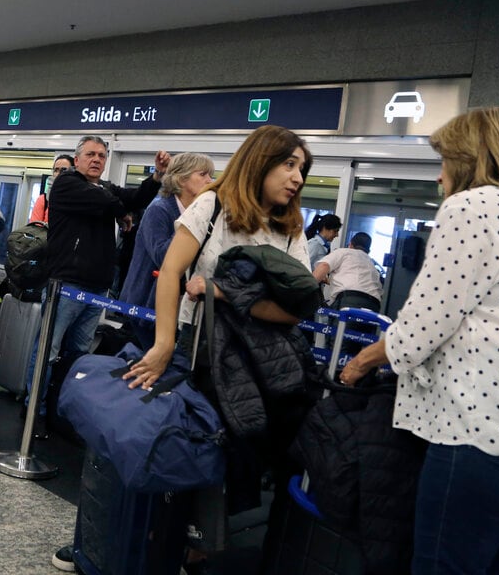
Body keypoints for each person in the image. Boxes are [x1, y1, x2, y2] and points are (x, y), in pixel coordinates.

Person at [106, 125, 312, 574]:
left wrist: (225, 293)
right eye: (288, 164)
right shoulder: (213, 205)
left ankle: (193, 551)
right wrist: (162, 345)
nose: (297, 178)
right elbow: (172, 270)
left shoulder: (290, 229)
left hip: (251, 365)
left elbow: (296, 311)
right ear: (260, 162)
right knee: (179, 453)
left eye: (302, 169)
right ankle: (145, 546)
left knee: (223, 465)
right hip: (195, 350)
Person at [339, 108, 499, 575]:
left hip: (471, 431)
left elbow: (421, 329)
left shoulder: (472, 208)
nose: (439, 176)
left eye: (444, 162)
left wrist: (362, 362)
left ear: (469, 159)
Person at [29, 135, 170, 442]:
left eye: (102, 156)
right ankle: (33, 413)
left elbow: (133, 198)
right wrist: (121, 210)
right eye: (91, 154)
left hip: (96, 288)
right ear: (77, 159)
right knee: (46, 353)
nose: (97, 159)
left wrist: (156, 177)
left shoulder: (104, 188)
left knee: (78, 356)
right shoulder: (66, 184)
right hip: (66, 285)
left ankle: (62, 409)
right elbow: (117, 203)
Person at [119, 152, 214, 350]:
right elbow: (163, 257)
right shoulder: (159, 210)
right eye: (203, 174)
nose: (209, 180)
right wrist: (189, 222)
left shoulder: (201, 214)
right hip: (145, 304)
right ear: (181, 178)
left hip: (175, 305)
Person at [312, 231, 382, 311]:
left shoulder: (344, 252)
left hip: (350, 301)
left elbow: (324, 266)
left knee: (339, 322)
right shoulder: (372, 264)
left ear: (350, 244)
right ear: (368, 251)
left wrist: (304, 288)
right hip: (373, 304)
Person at [29, 154, 74, 223]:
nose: (58, 174)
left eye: (64, 170)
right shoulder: (43, 200)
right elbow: (35, 229)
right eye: (56, 170)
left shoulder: (78, 199)